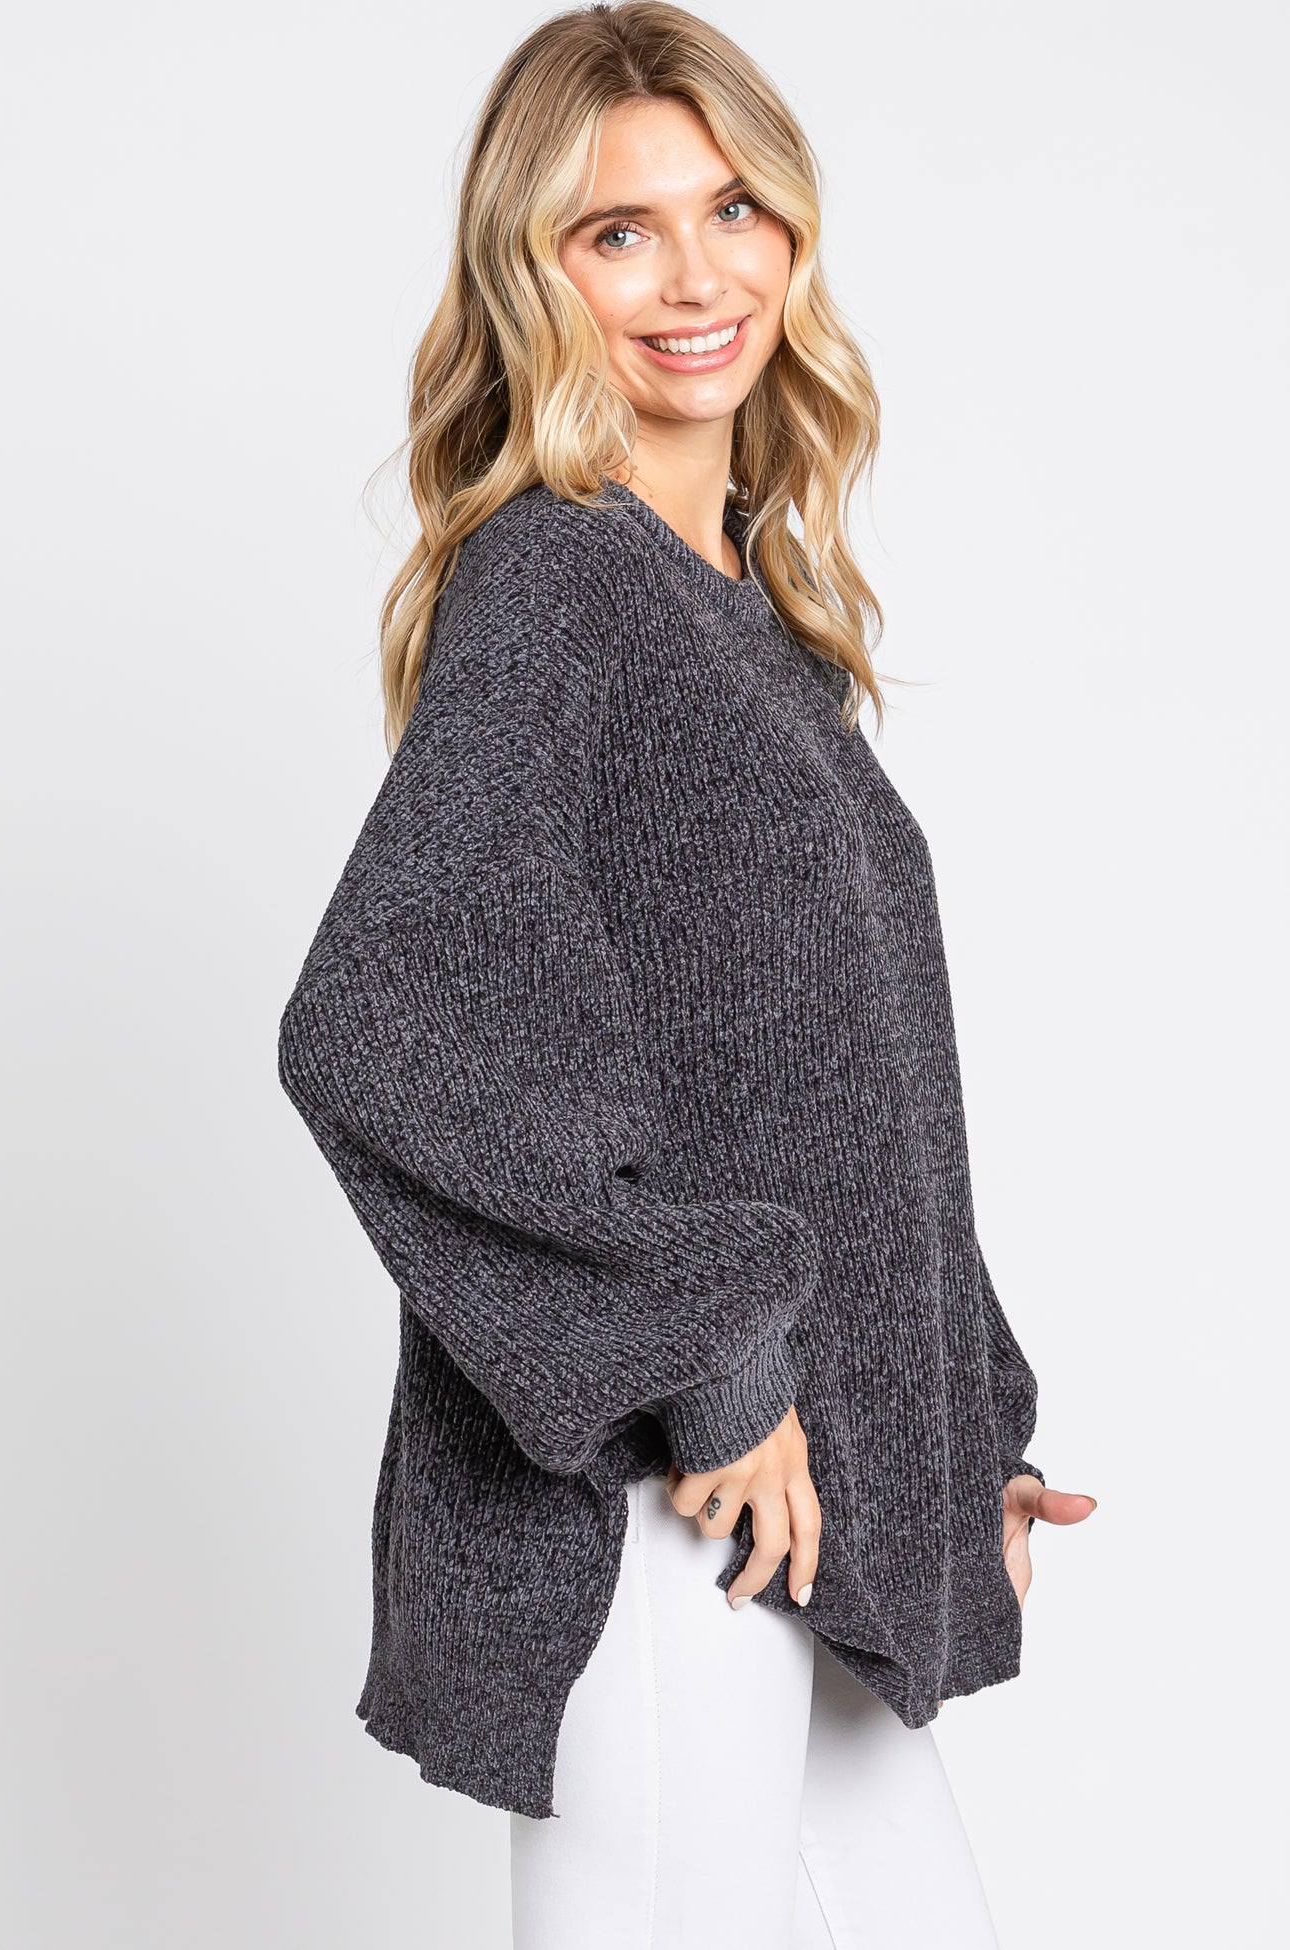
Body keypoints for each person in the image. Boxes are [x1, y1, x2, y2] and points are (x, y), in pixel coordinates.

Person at [276, 4, 1097, 1943]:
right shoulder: (557, 583)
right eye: (617, 230)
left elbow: (837, 1088)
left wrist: (957, 1425)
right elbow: (374, 1024)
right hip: (659, 1510)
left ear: (791, 232)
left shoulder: (748, 614)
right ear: (534, 276)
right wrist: (701, 1363)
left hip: (799, 1504)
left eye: (732, 209)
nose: (693, 275)